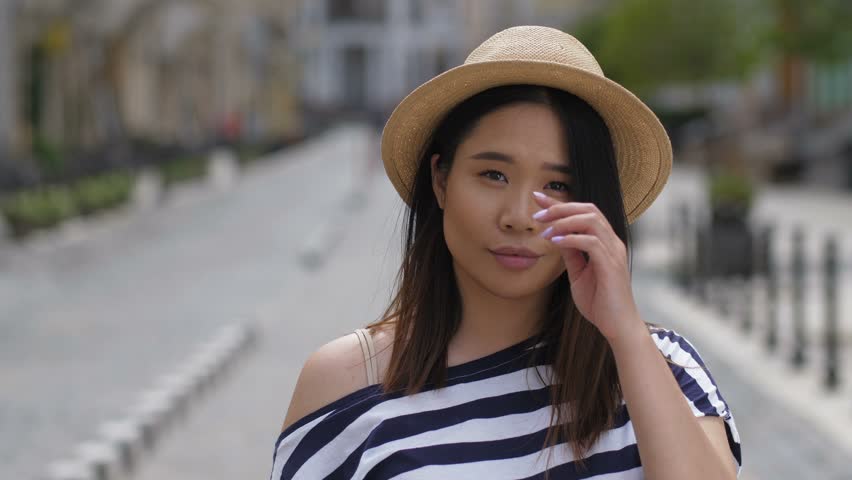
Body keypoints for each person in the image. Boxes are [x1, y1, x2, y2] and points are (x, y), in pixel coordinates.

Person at [269, 26, 742, 479]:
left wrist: (625, 334)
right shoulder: (347, 385)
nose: (520, 216)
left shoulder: (665, 369)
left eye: (558, 185)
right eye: (493, 175)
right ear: (440, 180)